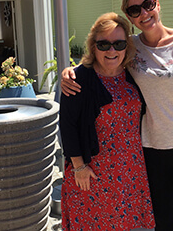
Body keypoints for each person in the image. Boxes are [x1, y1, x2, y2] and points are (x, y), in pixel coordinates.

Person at [61, 0, 173, 231]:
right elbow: (100, 54)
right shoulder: (129, 47)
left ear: (157, 3)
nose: (144, 12)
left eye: (148, 4)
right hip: (151, 153)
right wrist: (69, 73)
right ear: (130, 17)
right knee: (163, 224)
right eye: (134, 10)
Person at [59, 12, 155, 231]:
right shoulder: (78, 79)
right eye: (104, 44)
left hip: (129, 171)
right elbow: (68, 126)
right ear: (94, 47)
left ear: (126, 47)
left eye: (119, 44)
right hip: (92, 173)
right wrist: (79, 166)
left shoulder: (132, 74)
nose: (112, 51)